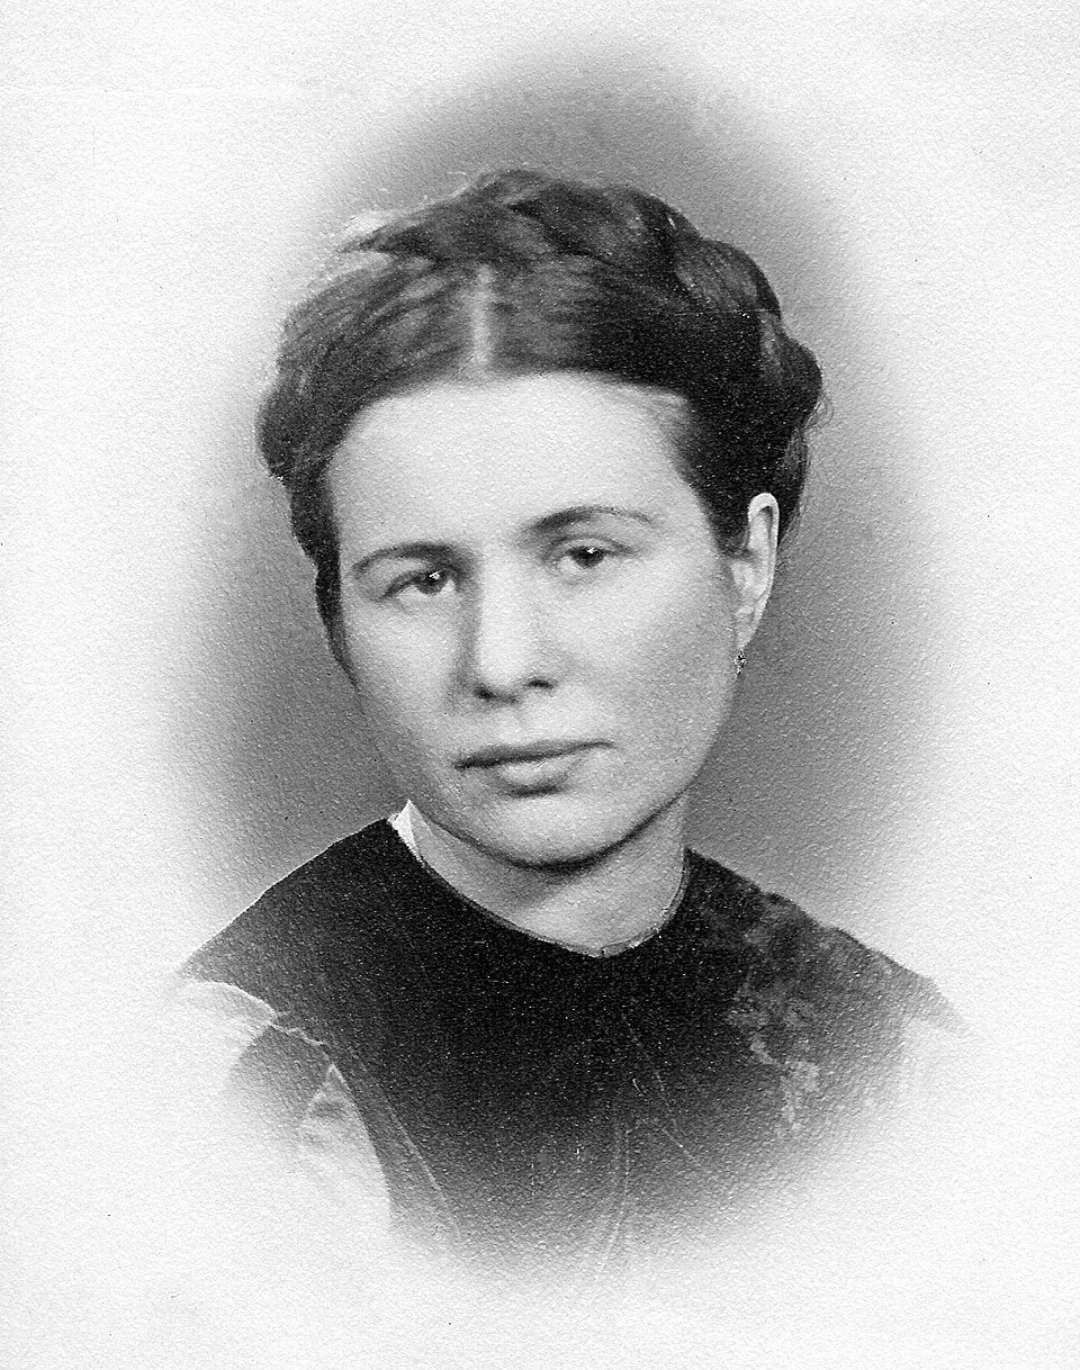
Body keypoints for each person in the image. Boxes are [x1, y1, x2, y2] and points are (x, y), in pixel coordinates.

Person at [171, 169, 960, 1276]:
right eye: (422, 579)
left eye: (583, 555)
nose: (502, 663)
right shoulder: (236, 1088)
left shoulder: (897, 1055)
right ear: (340, 622)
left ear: (749, 563)